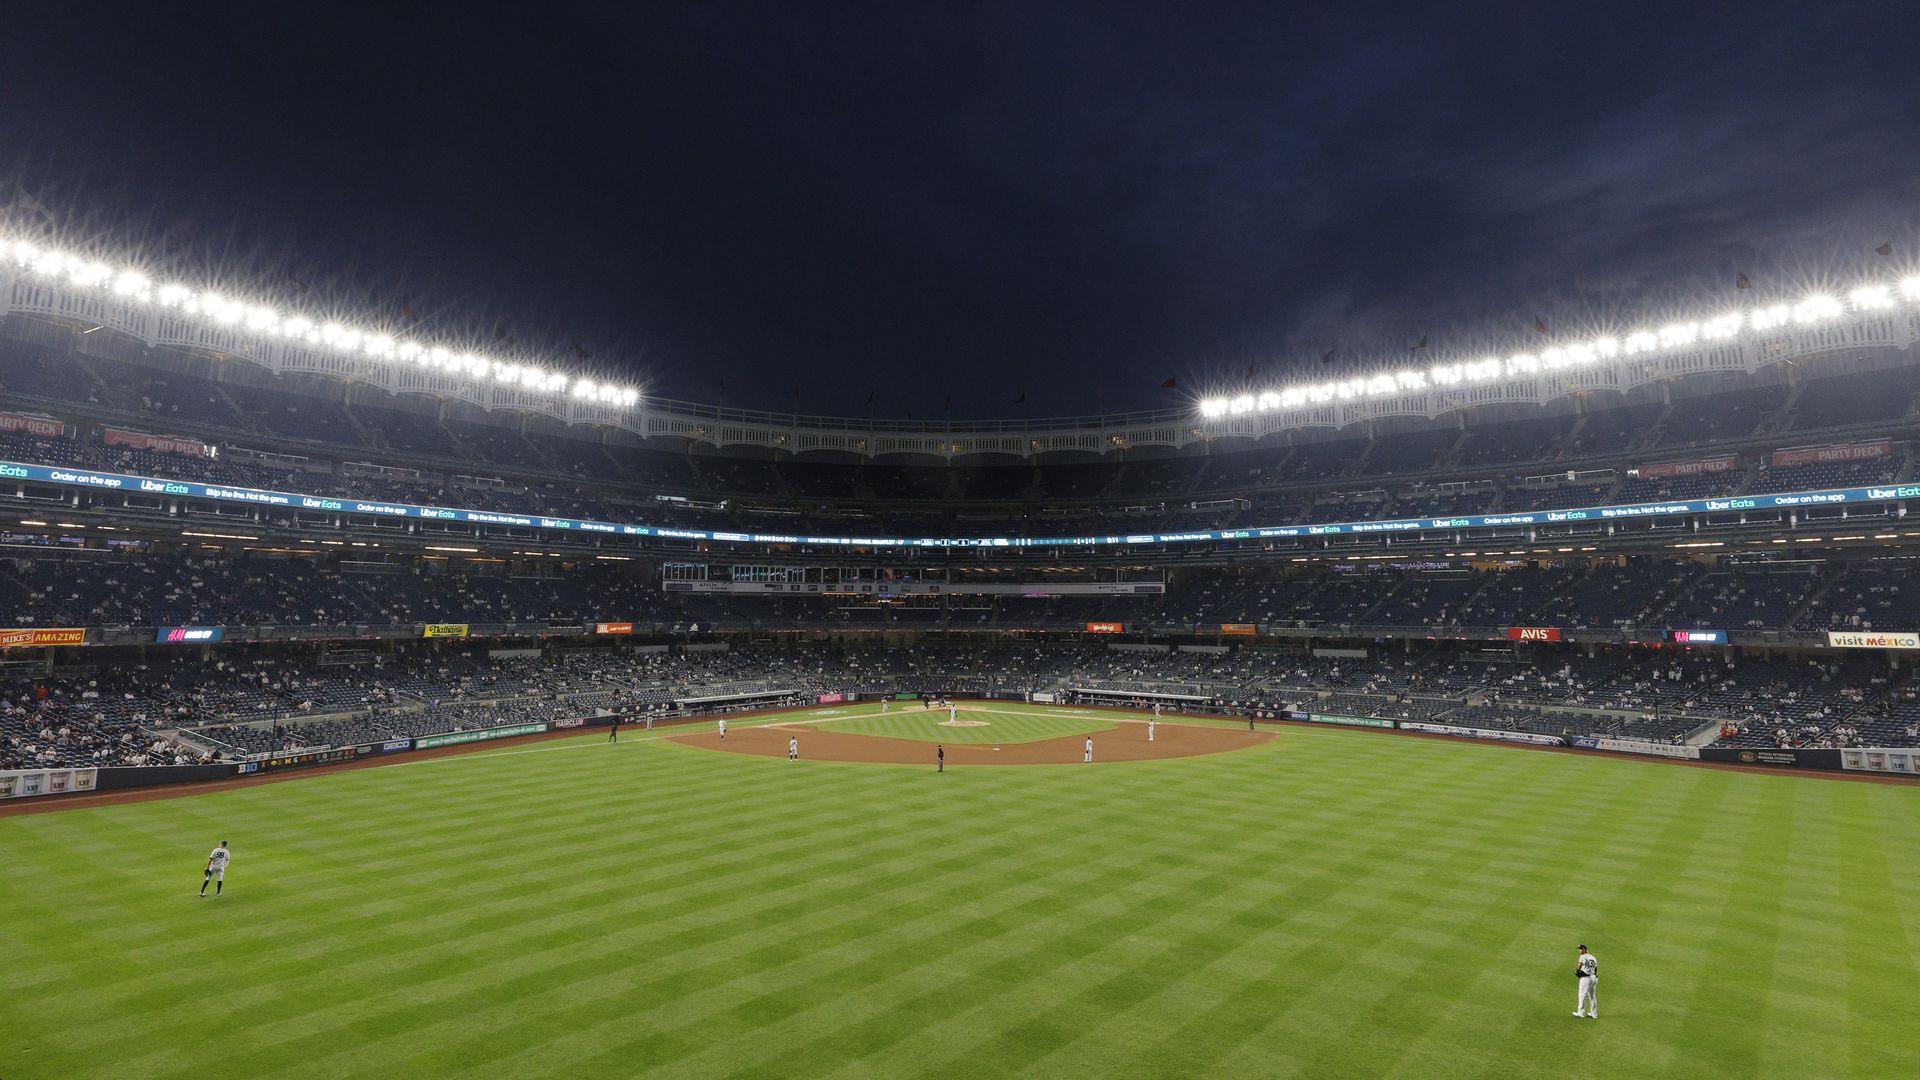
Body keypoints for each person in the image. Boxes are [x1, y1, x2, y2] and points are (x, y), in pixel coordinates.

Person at [1573, 945, 1599, 1018]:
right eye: (1579, 949)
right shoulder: (1593, 957)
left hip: (1586, 978)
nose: (1579, 951)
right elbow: (1596, 968)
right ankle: (1594, 1014)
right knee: (1592, 996)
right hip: (1594, 977)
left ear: (1584, 949)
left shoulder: (1582, 956)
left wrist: (1577, 972)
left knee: (1582, 995)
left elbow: (1579, 966)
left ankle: (1581, 1013)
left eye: (1580, 949)